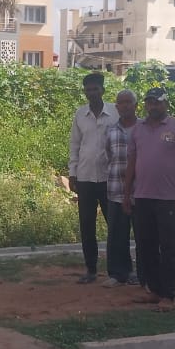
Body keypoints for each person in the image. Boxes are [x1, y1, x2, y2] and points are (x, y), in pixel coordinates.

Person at [123, 87, 175, 312]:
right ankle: (154, 290)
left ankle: (168, 295)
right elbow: (132, 163)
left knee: (169, 247)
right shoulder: (138, 129)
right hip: (142, 197)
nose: (153, 106)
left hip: (167, 199)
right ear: (145, 105)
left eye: (158, 102)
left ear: (166, 104)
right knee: (146, 247)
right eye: (150, 102)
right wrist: (126, 194)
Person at [68, 72, 118, 284]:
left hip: (110, 178)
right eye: (88, 90)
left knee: (115, 225)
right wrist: (72, 173)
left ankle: (118, 270)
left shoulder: (115, 112)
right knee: (87, 226)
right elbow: (74, 145)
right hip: (85, 177)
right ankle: (91, 269)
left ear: (102, 90)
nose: (92, 93)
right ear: (85, 92)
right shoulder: (80, 114)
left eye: (95, 89)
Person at [102, 89, 139, 288]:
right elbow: (109, 156)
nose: (125, 106)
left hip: (141, 192)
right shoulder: (111, 131)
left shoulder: (144, 129)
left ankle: (143, 274)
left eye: (128, 102)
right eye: (121, 103)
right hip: (116, 190)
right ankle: (118, 274)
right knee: (117, 235)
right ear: (116, 107)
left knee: (144, 236)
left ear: (136, 105)